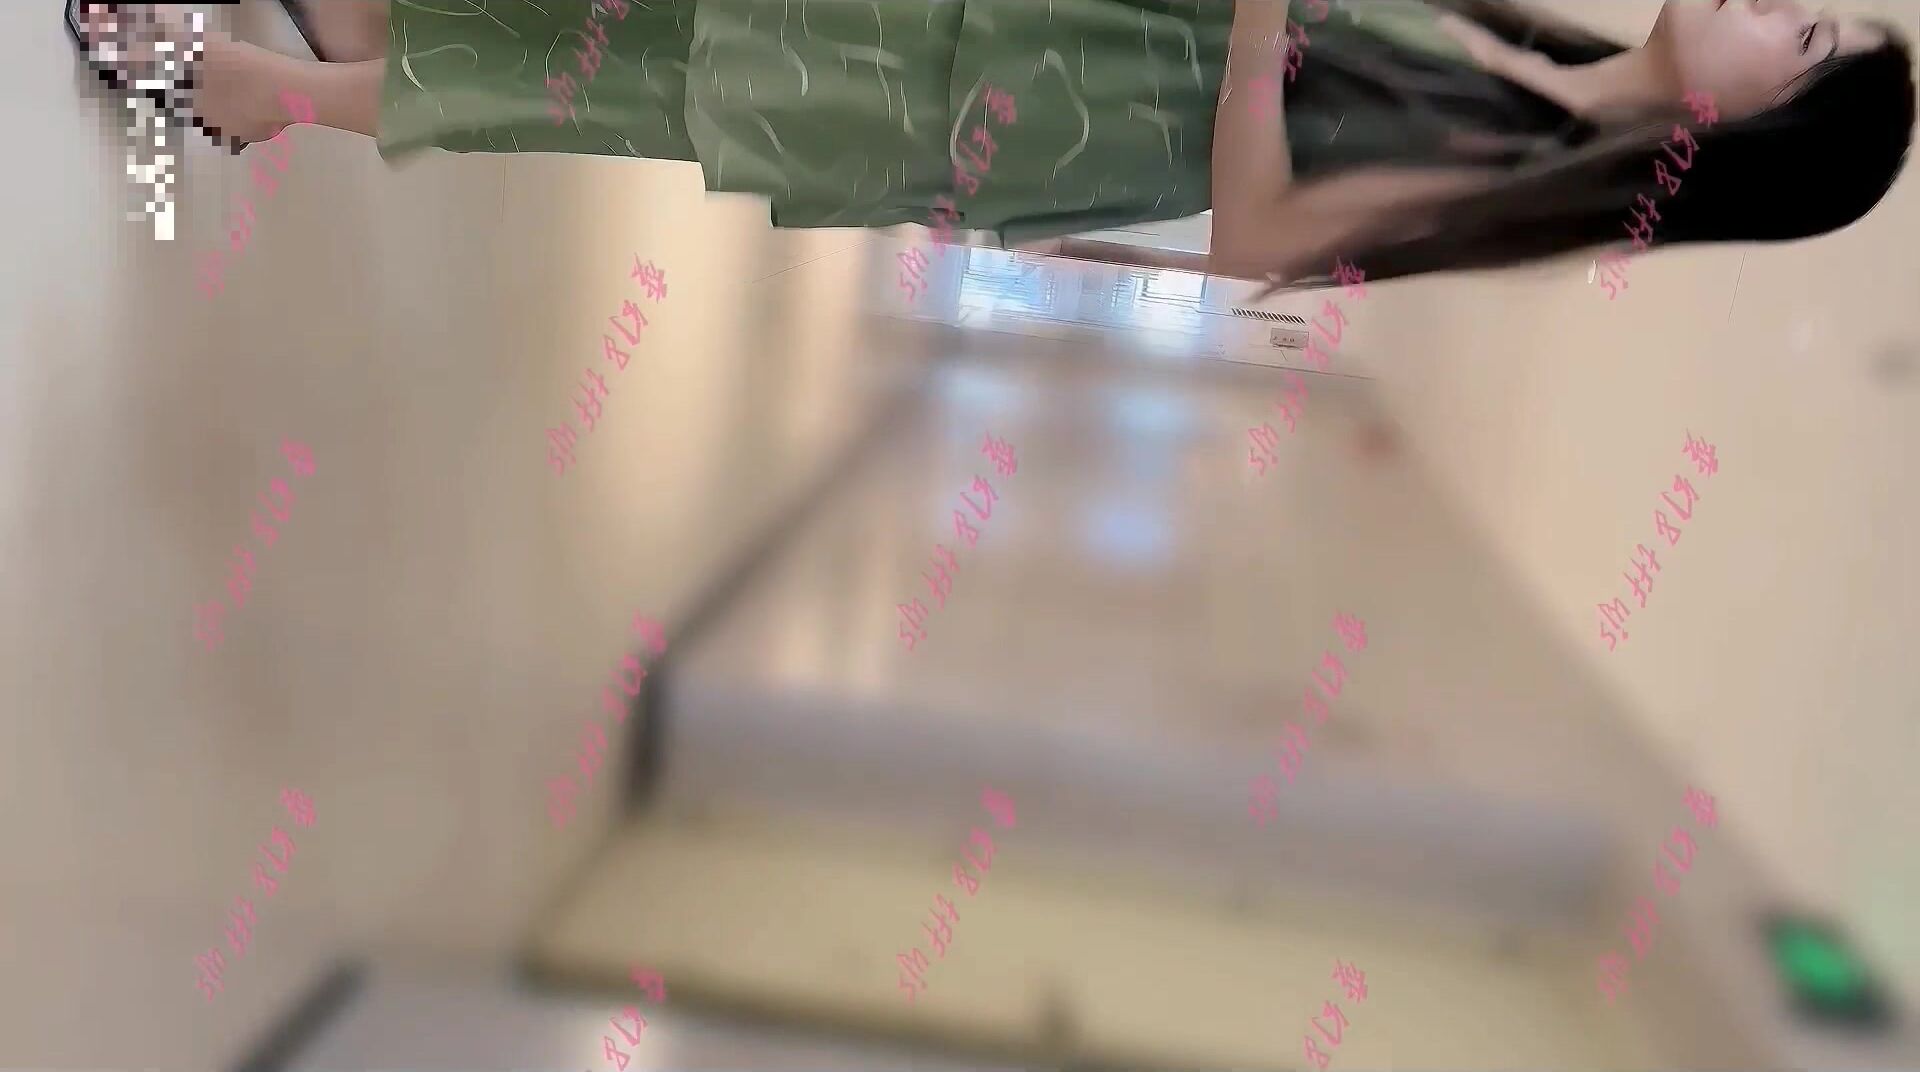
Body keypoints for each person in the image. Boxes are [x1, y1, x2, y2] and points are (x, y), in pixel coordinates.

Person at [76, 0, 1913, 289]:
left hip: (979, 106)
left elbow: (1256, 234)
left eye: (1805, 38)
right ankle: (362, 29)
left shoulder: (1518, 162)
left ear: (1759, 127)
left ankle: (257, 90)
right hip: (1010, 27)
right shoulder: (1532, 47)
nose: (1776, 4)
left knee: (643, 84)